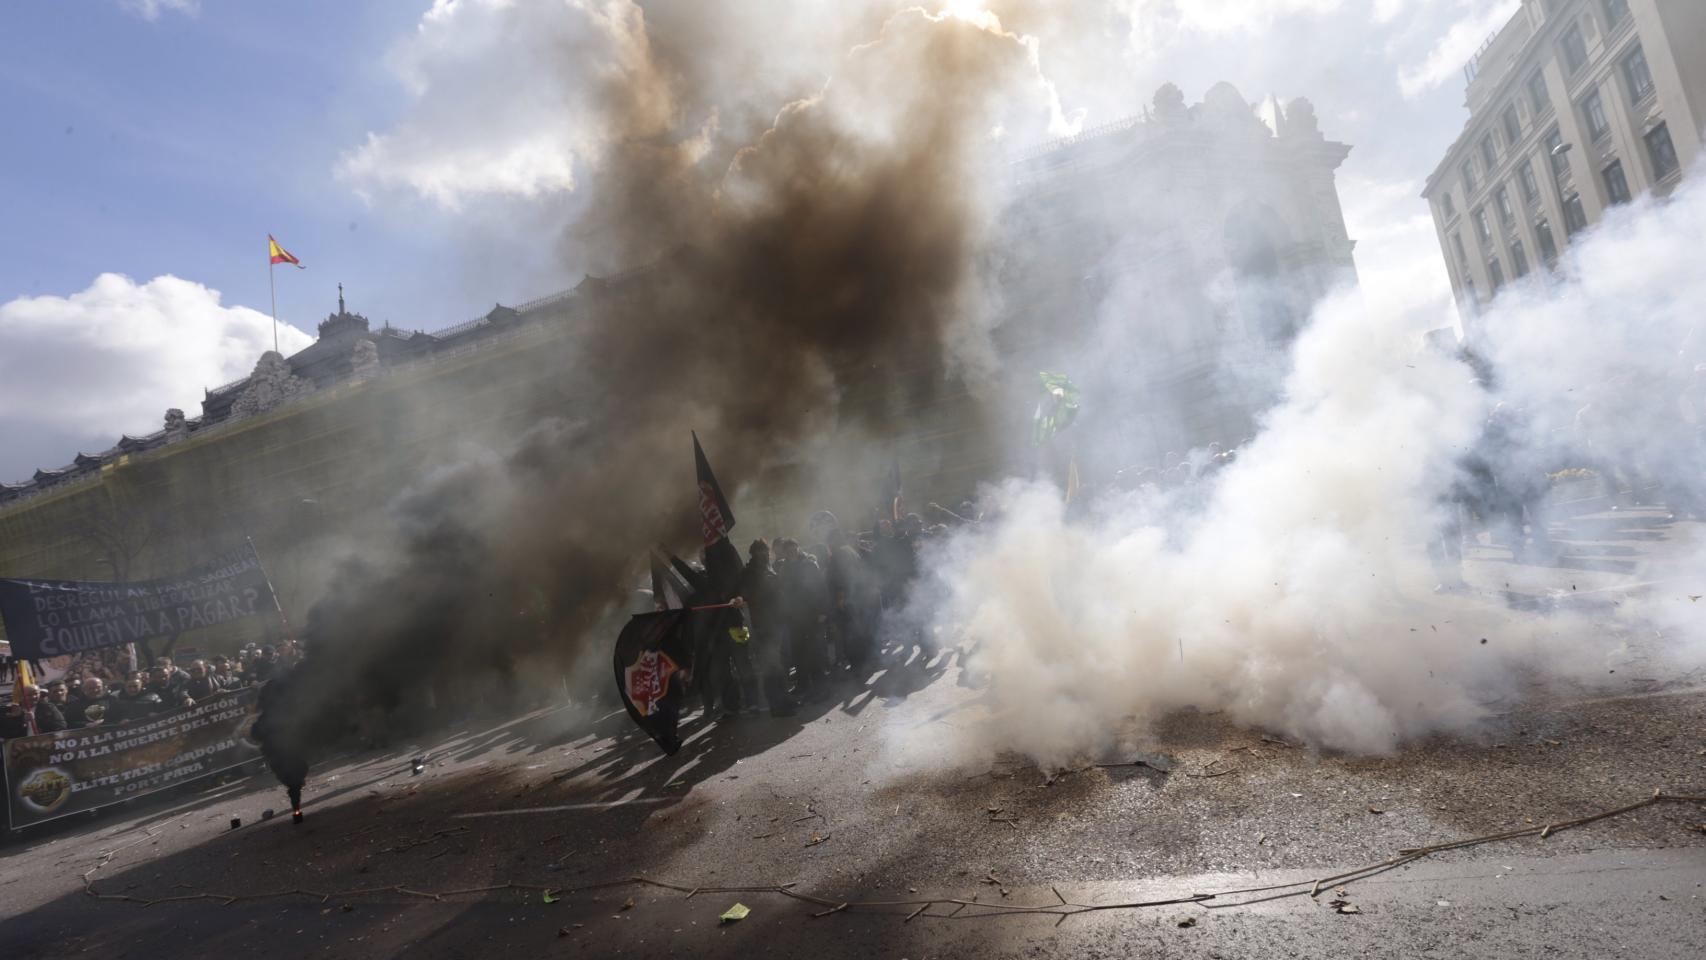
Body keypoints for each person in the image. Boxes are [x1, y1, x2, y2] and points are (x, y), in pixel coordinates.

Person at [738, 539, 796, 717]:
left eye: (765, 551)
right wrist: (741, 598)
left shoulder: (767, 568)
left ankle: (780, 702)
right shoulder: (750, 572)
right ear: (754, 554)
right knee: (773, 666)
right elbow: (746, 592)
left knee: (777, 664)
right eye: (760, 552)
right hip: (764, 626)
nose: (764, 554)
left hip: (775, 623)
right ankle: (778, 704)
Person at [775, 538, 829, 699]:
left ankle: (820, 688)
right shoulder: (783, 568)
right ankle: (803, 684)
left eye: (793, 548)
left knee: (814, 652)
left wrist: (822, 611)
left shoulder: (809, 565)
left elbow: (821, 588)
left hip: (811, 615)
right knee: (798, 653)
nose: (791, 552)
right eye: (788, 550)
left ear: (798, 548)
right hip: (794, 617)